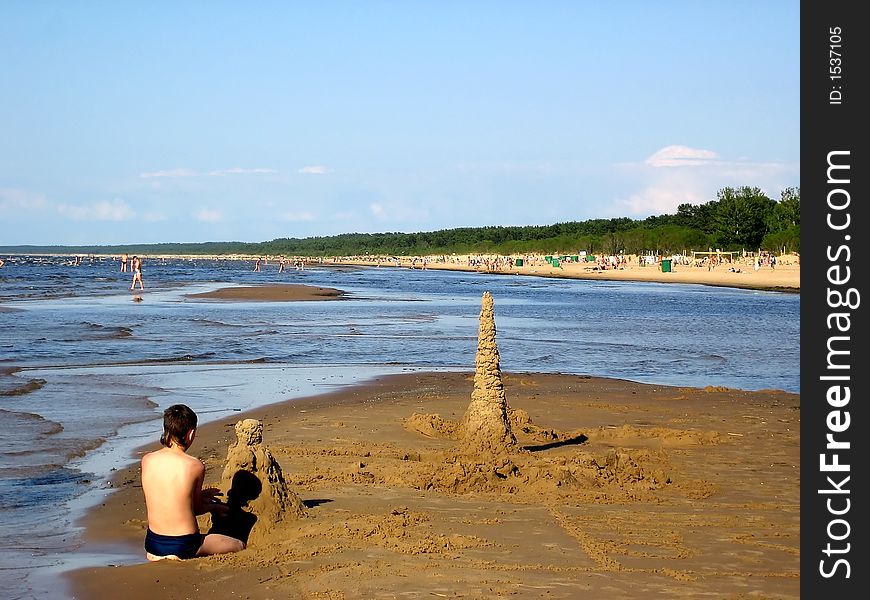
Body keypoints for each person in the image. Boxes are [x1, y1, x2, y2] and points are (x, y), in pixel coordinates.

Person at [141, 404, 245, 561]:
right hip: (184, 545)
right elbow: (196, 508)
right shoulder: (194, 465)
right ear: (190, 434)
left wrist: (202, 494)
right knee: (238, 545)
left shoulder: (147, 460)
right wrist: (216, 507)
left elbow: (168, 496)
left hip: (153, 543)